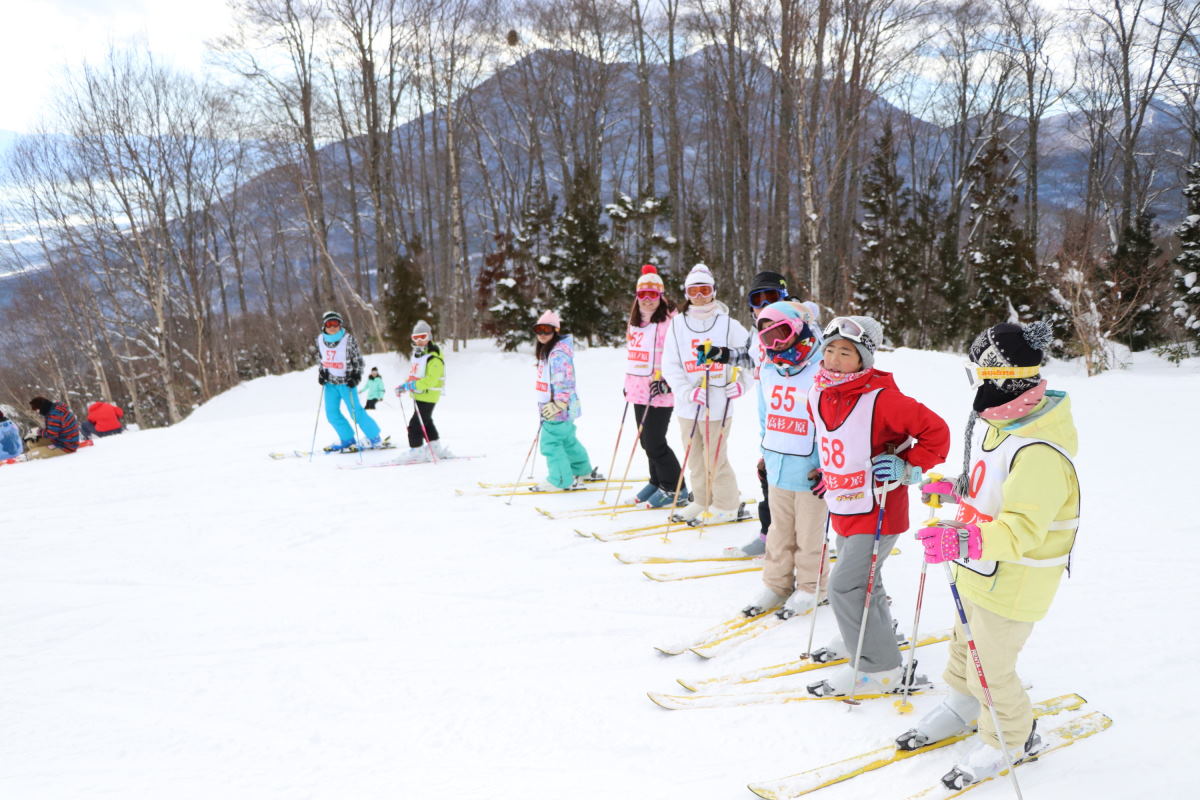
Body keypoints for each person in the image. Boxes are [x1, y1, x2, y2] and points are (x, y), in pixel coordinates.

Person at [896, 321, 1079, 791]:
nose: (978, 387)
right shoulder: (1001, 427)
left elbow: (1022, 530)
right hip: (978, 568)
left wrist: (963, 541)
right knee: (963, 646)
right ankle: (963, 705)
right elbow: (992, 489)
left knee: (990, 667)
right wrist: (954, 490)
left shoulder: (1040, 452)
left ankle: (1012, 738)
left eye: (983, 375)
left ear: (1006, 378)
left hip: (1014, 579)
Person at [802, 316, 950, 697]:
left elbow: (937, 433)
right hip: (843, 505)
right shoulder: (818, 392)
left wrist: (907, 466)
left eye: (845, 352)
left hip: (880, 509)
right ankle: (868, 638)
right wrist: (828, 471)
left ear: (863, 358)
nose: (834, 360)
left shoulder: (882, 399)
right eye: (830, 350)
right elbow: (837, 442)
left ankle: (879, 667)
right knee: (868, 581)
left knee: (844, 586)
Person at [739, 300, 829, 620]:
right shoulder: (768, 369)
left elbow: (832, 424)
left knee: (809, 534)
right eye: (767, 337)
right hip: (778, 463)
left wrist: (827, 466)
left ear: (798, 329)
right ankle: (776, 584)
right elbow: (765, 416)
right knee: (778, 531)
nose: (776, 343)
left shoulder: (822, 369)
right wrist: (765, 453)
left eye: (782, 333)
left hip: (810, 469)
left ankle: (811, 586)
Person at [661, 263, 752, 524]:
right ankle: (702, 500)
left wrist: (742, 384)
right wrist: (686, 392)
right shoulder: (677, 325)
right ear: (686, 293)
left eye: (705, 290)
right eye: (694, 291)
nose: (700, 296)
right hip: (689, 405)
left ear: (713, 291)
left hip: (718, 404)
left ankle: (727, 504)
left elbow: (752, 356)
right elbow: (670, 364)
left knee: (715, 458)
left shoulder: (728, 324)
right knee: (695, 458)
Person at [620, 265, 686, 508]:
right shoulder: (636, 321)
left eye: (653, 294)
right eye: (642, 294)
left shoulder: (671, 322)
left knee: (655, 441)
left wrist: (668, 383)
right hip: (638, 389)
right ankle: (656, 481)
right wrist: (629, 383)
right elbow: (633, 355)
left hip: (660, 391)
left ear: (661, 295)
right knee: (645, 442)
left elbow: (680, 356)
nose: (647, 300)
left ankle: (675, 488)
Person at [531, 310, 601, 491]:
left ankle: (561, 479)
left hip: (558, 408)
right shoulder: (550, 351)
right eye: (538, 329)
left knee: (551, 443)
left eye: (547, 330)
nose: (542, 334)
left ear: (555, 330)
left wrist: (558, 404)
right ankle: (581, 470)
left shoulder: (557, 354)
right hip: (560, 407)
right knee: (567, 440)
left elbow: (564, 381)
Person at [315, 311, 384, 451]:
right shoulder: (320, 339)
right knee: (332, 414)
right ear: (324, 325)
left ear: (340, 325)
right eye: (329, 323)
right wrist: (321, 373)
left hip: (346, 383)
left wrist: (356, 375)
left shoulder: (348, 339)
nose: (332, 327)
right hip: (330, 384)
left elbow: (357, 360)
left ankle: (374, 437)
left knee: (355, 412)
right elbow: (321, 359)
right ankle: (347, 439)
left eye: (335, 323)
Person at [396, 320, 449, 461]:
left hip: (428, 395)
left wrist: (412, 386)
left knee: (415, 425)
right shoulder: (419, 355)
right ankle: (435, 448)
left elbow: (430, 380)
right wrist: (404, 386)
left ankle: (417, 452)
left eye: (422, 337)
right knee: (426, 421)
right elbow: (415, 375)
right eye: (416, 337)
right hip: (420, 395)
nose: (419, 341)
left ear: (429, 336)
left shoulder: (433, 357)